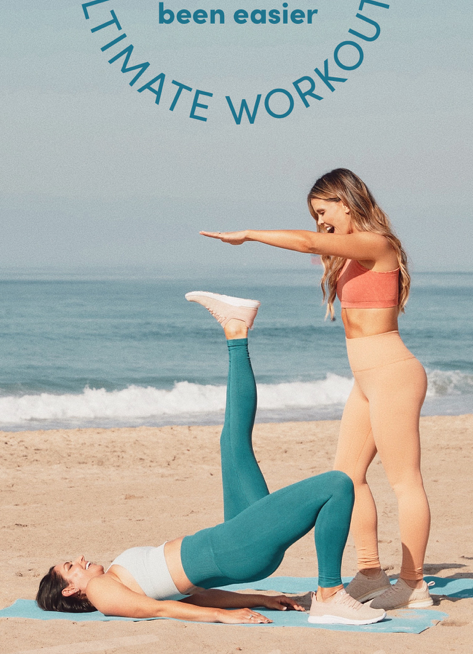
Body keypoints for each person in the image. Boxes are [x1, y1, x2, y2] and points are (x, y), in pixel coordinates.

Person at [36, 294, 386, 626]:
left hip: (234, 544)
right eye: (71, 566)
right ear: (70, 589)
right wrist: (222, 617)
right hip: (235, 547)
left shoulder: (115, 578)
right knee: (337, 484)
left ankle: (236, 330)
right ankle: (330, 594)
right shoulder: (99, 591)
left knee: (232, 442)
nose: (80, 559)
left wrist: (260, 598)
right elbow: (155, 609)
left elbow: (192, 597)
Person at [200, 168, 433, 611]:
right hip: (367, 380)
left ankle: (415, 583)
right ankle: (369, 572)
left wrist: (248, 234)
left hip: (392, 374)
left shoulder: (376, 243)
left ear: (347, 203)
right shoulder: (349, 253)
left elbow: (309, 244)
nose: (320, 222)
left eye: (324, 211)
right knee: (346, 477)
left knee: (404, 481)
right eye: (315, 215)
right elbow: (317, 246)